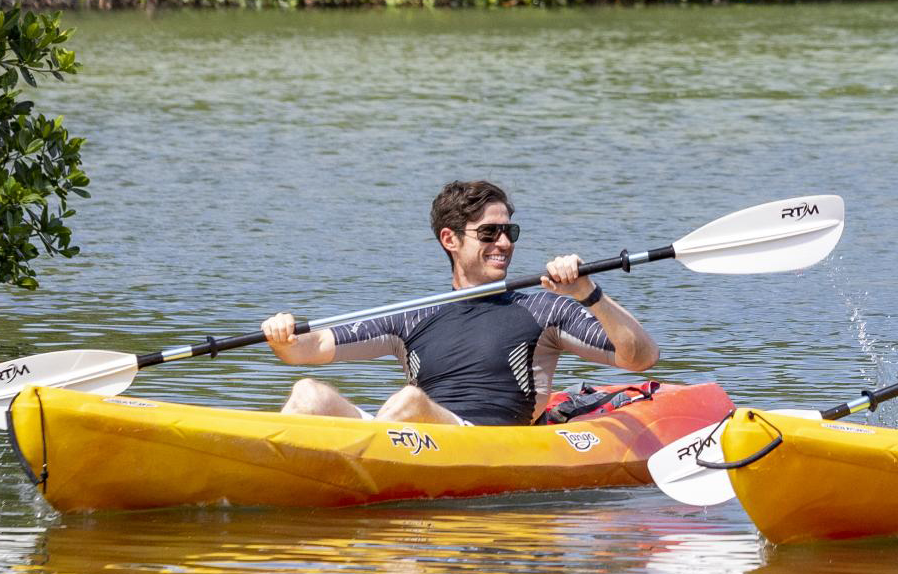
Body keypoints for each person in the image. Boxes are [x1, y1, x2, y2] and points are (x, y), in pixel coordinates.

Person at [260, 179, 659, 425]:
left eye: (509, 231)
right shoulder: (413, 317)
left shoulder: (546, 309)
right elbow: (306, 351)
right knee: (308, 393)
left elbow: (639, 358)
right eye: (489, 233)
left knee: (411, 402)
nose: (504, 243)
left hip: (485, 442)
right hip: (409, 438)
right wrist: (282, 339)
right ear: (450, 239)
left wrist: (589, 294)